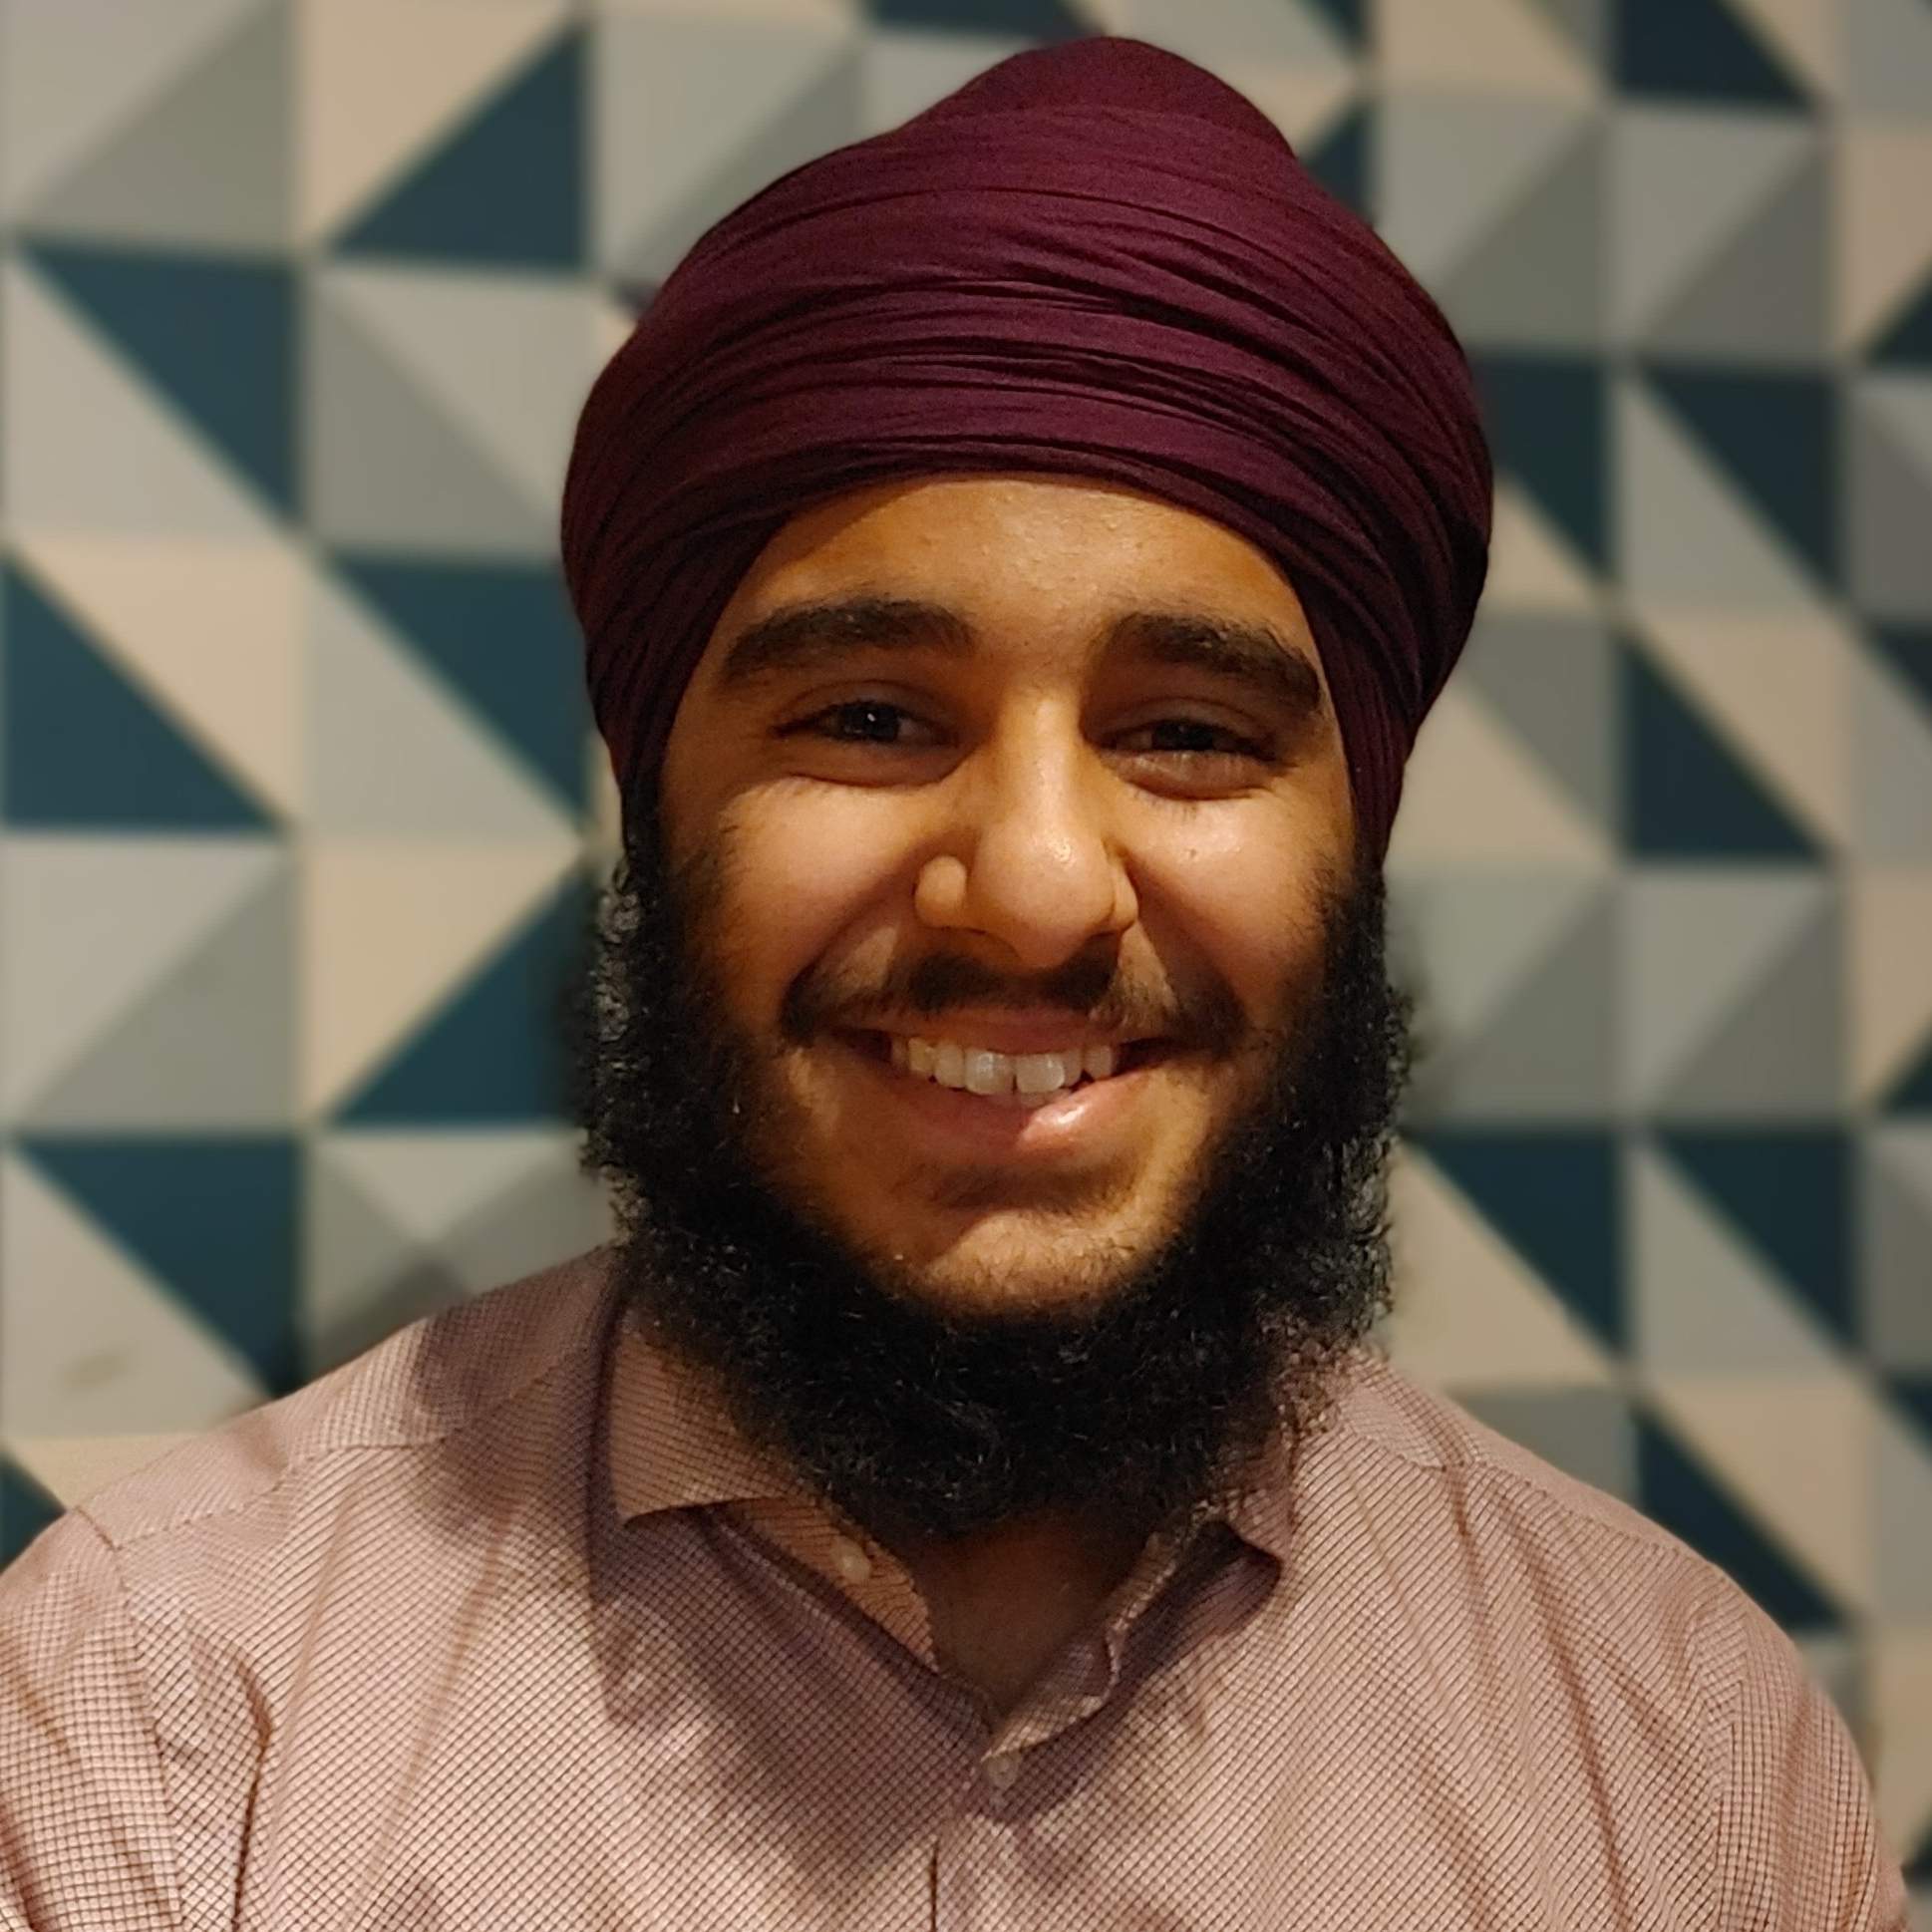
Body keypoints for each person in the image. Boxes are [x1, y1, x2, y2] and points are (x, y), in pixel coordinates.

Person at [0, 35, 1908, 1931]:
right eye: (869, 716)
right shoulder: (167, 1718)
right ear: (663, 816)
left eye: (1185, 732)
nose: (1034, 889)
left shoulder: (1683, 1763)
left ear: (1354, 844)